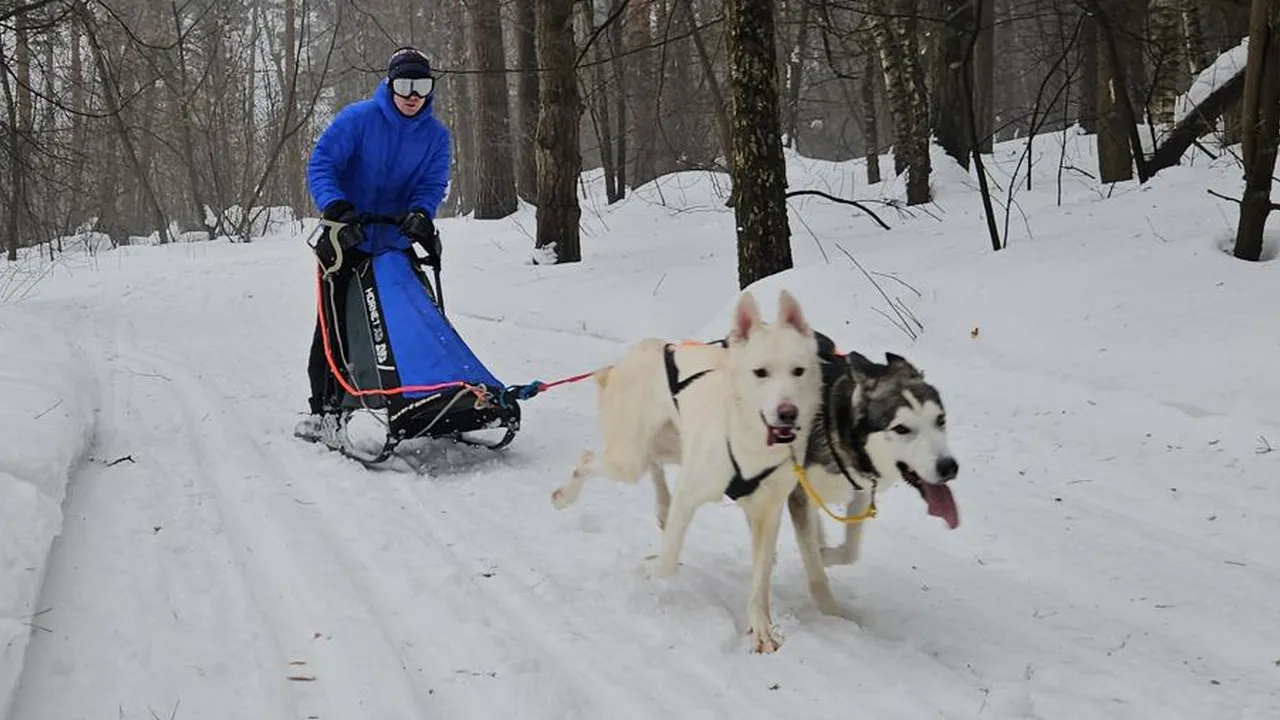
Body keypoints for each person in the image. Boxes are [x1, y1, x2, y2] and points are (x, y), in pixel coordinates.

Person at [296, 45, 451, 439]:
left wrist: (421, 213)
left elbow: (431, 184)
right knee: (335, 326)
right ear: (390, 84)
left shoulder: (436, 137)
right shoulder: (359, 119)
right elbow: (322, 164)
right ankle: (325, 406)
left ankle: (427, 394)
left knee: (413, 318)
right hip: (346, 239)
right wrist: (336, 206)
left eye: (422, 86)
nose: (413, 95)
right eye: (404, 85)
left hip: (394, 243)